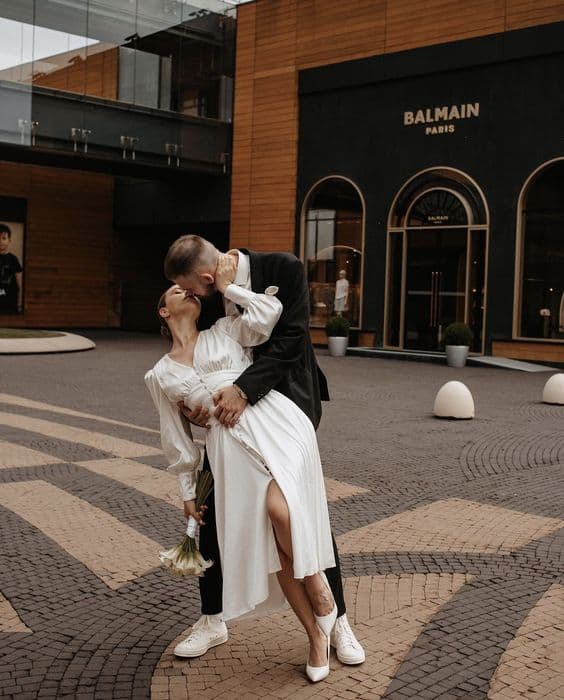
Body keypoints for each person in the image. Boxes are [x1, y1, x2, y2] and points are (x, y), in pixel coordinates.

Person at [163, 235, 365, 666]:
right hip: (226, 430)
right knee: (214, 514)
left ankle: (339, 619)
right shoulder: (204, 305)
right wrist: (201, 405)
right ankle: (213, 618)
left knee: (296, 510)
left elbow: (290, 340)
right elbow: (195, 355)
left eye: (195, 289)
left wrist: (242, 391)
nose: (195, 298)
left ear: (204, 277)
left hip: (285, 405)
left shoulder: (284, 268)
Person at [0, 224, 23, 314]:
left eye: (4, 238)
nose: (0, 241)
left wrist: (20, 303)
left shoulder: (13, 259)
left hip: (10, 303)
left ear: (9, 240)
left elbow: (19, 284)